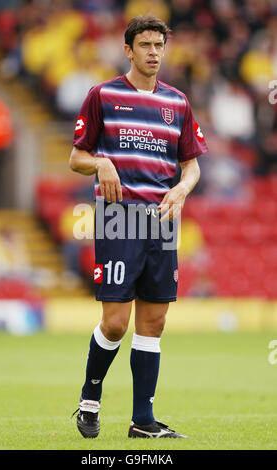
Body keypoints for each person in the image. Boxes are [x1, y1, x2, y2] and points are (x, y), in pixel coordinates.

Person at [69, 15, 208, 439]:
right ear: (128, 50)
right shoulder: (103, 95)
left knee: (155, 323)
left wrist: (182, 190)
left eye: (158, 46)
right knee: (115, 323)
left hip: (162, 219)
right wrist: (102, 161)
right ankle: (89, 400)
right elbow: (77, 159)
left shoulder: (178, 102)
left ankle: (142, 422)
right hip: (119, 217)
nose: (153, 53)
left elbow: (192, 168)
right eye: (144, 45)